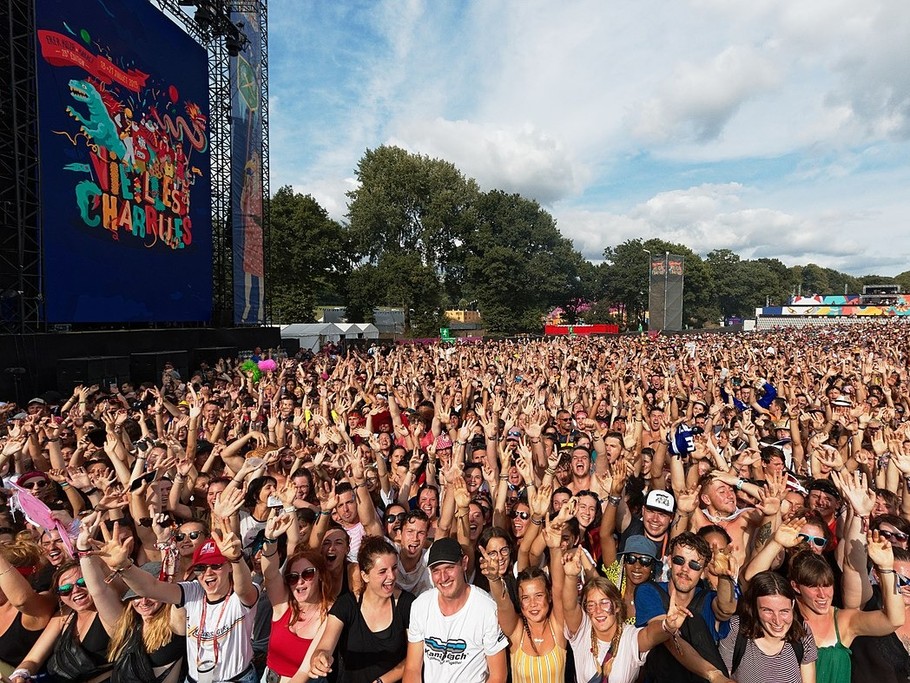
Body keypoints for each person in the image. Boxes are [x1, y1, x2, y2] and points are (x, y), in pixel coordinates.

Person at [94, 495, 261, 683]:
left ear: (228, 566)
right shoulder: (192, 591)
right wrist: (123, 566)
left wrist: (236, 558)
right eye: (200, 568)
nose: (208, 573)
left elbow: (244, 587)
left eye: (216, 566)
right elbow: (150, 587)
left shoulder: (240, 596)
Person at [306, 535, 415, 683]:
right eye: (382, 571)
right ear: (365, 576)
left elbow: (415, 657)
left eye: (394, 568)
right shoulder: (346, 605)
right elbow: (325, 646)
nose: (391, 576)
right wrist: (320, 658)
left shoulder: (407, 604)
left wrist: (381, 681)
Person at [404, 537, 508, 683]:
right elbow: (412, 669)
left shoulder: (486, 608)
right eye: (436, 571)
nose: (443, 577)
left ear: (464, 563)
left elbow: (498, 676)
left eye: (449, 568)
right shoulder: (420, 605)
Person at [11, 560, 113, 683]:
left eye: (83, 582)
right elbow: (32, 659)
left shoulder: (109, 610)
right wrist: (21, 674)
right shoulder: (64, 615)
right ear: (59, 596)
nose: (75, 590)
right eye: (65, 589)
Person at [261, 513, 332, 683]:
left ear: (320, 576)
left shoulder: (329, 613)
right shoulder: (283, 603)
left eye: (307, 574)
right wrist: (270, 540)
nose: (299, 582)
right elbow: (270, 574)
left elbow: (303, 672)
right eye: (293, 577)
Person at [717, 571, 817, 683]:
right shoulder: (735, 630)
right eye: (768, 611)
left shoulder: (802, 633)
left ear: (792, 605)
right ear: (754, 607)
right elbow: (721, 678)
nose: (777, 621)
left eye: (784, 611)